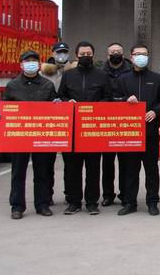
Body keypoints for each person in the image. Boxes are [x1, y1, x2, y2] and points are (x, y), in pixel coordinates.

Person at [114, 44, 160, 216]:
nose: (141, 57)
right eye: (137, 54)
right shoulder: (123, 79)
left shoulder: (157, 78)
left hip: (150, 132)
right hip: (130, 132)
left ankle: (152, 202)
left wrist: (155, 111)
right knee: (130, 170)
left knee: (151, 169)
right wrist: (125, 99)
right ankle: (130, 202)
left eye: (144, 54)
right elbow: (113, 99)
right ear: (131, 57)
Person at [58, 41, 112, 216]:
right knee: (72, 168)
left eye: (88, 54)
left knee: (93, 168)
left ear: (93, 55)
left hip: (93, 129)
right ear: (76, 55)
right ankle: (73, 202)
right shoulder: (68, 76)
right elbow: (61, 96)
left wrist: (97, 107)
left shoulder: (102, 75)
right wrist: (68, 102)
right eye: (82, 54)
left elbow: (108, 98)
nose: (85, 57)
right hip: (73, 129)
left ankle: (92, 202)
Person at [5, 50, 58, 219]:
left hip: (41, 134)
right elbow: (6, 107)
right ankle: (17, 206)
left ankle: (42, 204)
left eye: (34, 61)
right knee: (18, 172)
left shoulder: (47, 85)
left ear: (39, 64)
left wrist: (58, 105)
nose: (31, 64)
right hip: (20, 136)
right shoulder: (12, 85)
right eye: (27, 61)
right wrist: (0, 115)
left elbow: (54, 109)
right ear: (21, 65)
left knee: (42, 171)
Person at [39, 41, 73, 205]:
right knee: (46, 163)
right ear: (53, 53)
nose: (62, 55)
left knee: (71, 163)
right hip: (49, 122)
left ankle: (70, 194)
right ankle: (47, 195)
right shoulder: (43, 73)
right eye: (59, 52)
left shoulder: (73, 72)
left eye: (65, 52)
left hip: (70, 121)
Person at [101, 42, 132, 206]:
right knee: (107, 162)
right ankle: (108, 194)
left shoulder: (130, 71)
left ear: (123, 54)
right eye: (112, 52)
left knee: (125, 162)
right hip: (107, 122)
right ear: (107, 55)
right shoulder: (100, 73)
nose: (115, 54)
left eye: (118, 51)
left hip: (126, 122)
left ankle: (125, 194)